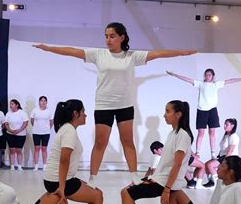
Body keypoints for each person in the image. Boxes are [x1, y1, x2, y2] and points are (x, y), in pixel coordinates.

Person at [33, 22, 196, 186]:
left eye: (112, 36)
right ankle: (93, 178)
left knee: (128, 141)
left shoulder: (131, 56)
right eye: (106, 36)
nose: (108, 40)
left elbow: (158, 54)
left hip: (125, 105)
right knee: (100, 143)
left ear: (122, 37)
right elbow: (72, 51)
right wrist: (48, 48)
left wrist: (182, 52)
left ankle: (133, 175)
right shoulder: (98, 54)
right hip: (104, 105)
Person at [111, 100, 193, 204]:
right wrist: (147, 179)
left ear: (178, 114)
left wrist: (167, 189)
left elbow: (177, 164)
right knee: (127, 191)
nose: (164, 115)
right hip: (160, 179)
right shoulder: (173, 133)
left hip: (164, 182)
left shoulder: (183, 135)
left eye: (168, 111)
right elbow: (165, 164)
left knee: (126, 193)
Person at [43, 99, 107, 204]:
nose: (86, 115)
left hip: (59, 178)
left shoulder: (67, 129)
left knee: (96, 192)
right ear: (75, 113)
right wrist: (62, 187)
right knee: (97, 196)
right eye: (83, 112)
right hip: (57, 180)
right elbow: (64, 159)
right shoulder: (69, 131)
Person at [166, 69, 241, 159]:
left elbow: (229, 81)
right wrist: (174, 74)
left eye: (209, 75)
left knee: (212, 132)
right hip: (202, 110)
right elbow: (187, 79)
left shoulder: (216, 84)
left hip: (212, 110)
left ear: (213, 76)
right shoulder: (200, 84)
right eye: (206, 75)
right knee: (201, 132)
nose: (207, 76)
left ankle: (213, 153)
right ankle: (198, 152)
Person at [203, 118, 239, 188]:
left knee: (210, 165)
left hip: (229, 157)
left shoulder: (233, 136)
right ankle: (211, 181)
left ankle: (217, 184)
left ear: (232, 126)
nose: (224, 126)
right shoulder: (226, 135)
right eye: (224, 124)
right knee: (206, 164)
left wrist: (224, 161)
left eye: (227, 124)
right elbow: (222, 148)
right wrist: (218, 156)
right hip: (222, 155)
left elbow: (230, 151)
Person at [30, 96, 53, 171]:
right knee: (36, 149)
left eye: (44, 101)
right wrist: (37, 127)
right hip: (36, 132)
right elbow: (32, 121)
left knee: (44, 149)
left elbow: (51, 122)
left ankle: (44, 165)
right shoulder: (34, 110)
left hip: (46, 133)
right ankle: (36, 165)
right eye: (41, 101)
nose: (43, 102)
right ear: (39, 102)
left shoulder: (49, 111)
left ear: (46, 102)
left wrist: (46, 128)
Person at [5, 99, 29, 171]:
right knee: (12, 150)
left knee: (19, 150)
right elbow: (6, 124)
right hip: (10, 134)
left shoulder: (22, 113)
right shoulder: (8, 113)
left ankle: (19, 166)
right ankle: (12, 166)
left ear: (17, 105)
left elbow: (26, 123)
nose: (11, 105)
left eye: (12, 104)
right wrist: (11, 130)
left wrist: (19, 130)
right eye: (10, 104)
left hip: (21, 135)